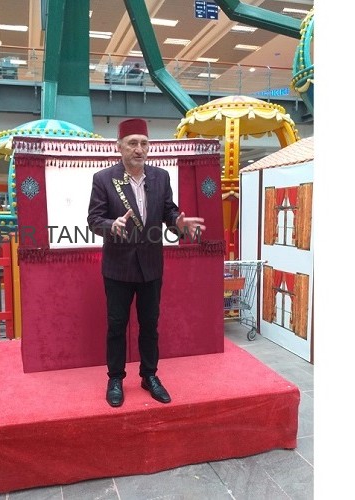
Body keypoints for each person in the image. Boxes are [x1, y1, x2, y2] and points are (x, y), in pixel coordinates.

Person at [87, 118, 206, 407]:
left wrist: (179, 223)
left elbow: (169, 212)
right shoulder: (103, 179)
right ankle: (115, 378)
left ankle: (149, 375)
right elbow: (94, 219)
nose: (139, 149)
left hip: (151, 266)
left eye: (144, 143)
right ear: (119, 147)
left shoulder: (160, 177)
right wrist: (110, 225)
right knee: (117, 325)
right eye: (132, 143)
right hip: (118, 267)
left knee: (150, 324)